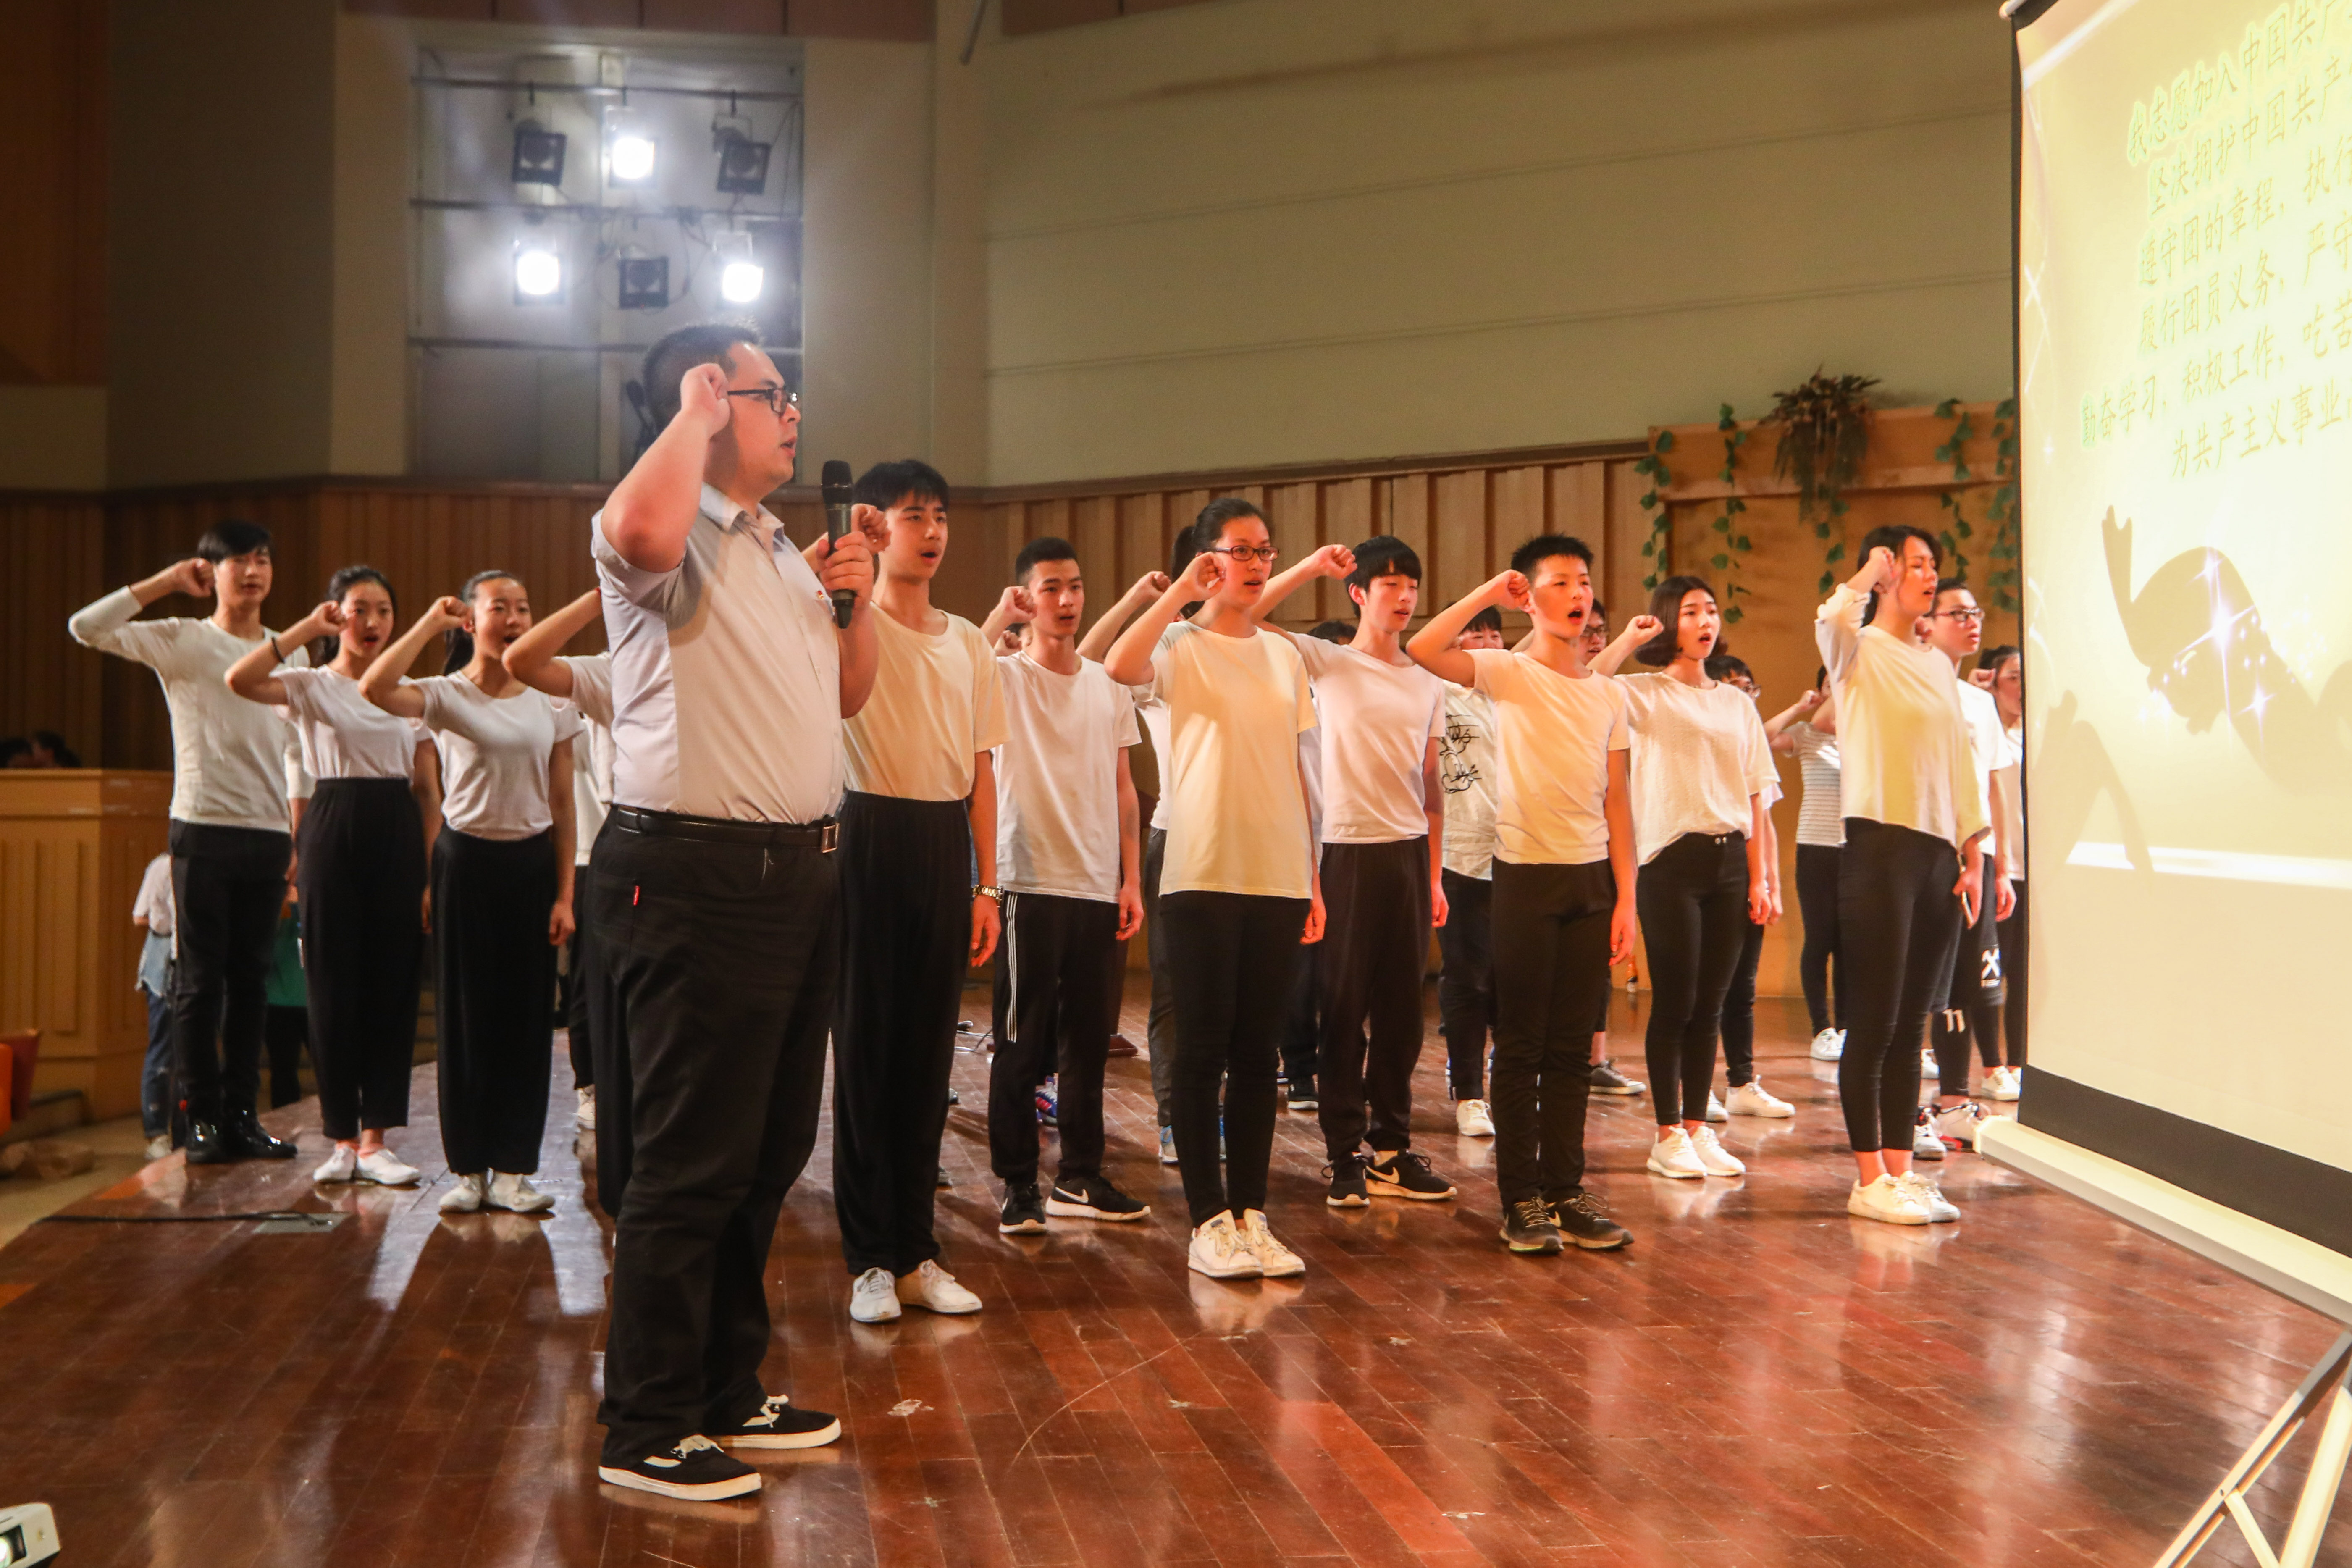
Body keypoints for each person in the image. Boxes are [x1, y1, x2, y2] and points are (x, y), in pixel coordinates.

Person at [583, 325, 865, 1502]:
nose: (792, 413)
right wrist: (695, 416)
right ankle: (647, 1421)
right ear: (706, 398)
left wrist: (856, 605)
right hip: (695, 874)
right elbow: (635, 530)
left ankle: (722, 1386)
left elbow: (847, 696)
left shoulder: (782, 547)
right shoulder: (668, 528)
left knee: (766, 1150)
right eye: (770, 394)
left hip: (797, 875)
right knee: (688, 1159)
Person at [1105, 498, 1321, 1281]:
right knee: (1201, 1051)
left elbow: (1297, 769)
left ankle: (1252, 1214)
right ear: (1208, 558)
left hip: (1277, 872)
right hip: (1199, 868)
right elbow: (1117, 667)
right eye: (1240, 550)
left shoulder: (1284, 654)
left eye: (1265, 549)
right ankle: (1207, 1221)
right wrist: (1179, 593)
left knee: (1258, 1053)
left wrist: (1312, 875)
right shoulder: (1177, 643)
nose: (1257, 563)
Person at [1407, 536, 1635, 1257]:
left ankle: (1566, 1190)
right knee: (1522, 1045)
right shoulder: (1508, 671)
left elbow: (1619, 803)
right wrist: (1488, 592)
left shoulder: (1609, 692)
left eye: (1583, 582)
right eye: (1560, 582)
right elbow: (1423, 647)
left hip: (1591, 880)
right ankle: (1522, 1200)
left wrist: (1628, 899)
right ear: (1531, 598)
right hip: (1524, 876)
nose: (1578, 595)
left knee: (1572, 1049)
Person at [69, 521, 308, 1165]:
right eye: (238, 560)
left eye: (263, 559)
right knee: (200, 983)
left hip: (269, 833)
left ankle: (242, 1116)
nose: (253, 571)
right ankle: (200, 1119)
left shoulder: (289, 653)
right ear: (211, 570)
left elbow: (298, 754)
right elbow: (85, 628)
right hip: (203, 824)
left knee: (252, 984)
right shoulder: (184, 638)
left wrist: (297, 836)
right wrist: (167, 582)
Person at [834, 458, 1005, 1326]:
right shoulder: (844, 621)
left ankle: (916, 1251)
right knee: (866, 1053)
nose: (932, 531)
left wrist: (988, 885)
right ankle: (869, 1258)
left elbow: (982, 771)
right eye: (913, 515)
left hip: (944, 843)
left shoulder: (969, 640)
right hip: (863, 832)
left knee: (927, 1058)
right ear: (875, 524)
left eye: (940, 515)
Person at [360, 572, 579, 1218]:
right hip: (464, 863)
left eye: (523, 607)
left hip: (531, 865)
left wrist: (565, 894)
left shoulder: (551, 697)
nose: (514, 618)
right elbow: (374, 688)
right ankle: (468, 1169)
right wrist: (428, 623)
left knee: (525, 1019)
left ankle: (513, 1169)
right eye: (499, 607)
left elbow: (564, 801)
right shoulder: (446, 695)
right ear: (471, 621)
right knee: (465, 1018)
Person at [1253, 537, 1454, 1206]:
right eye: (1389, 584)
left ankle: (1391, 1147)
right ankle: (1344, 1153)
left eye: (1411, 585)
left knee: (1403, 1013)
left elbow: (1431, 786)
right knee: (1342, 1007)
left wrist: (1433, 876)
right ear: (1359, 594)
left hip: (1408, 853)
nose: (1404, 597)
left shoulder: (1427, 678)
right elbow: (1248, 613)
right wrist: (1311, 567)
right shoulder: (1328, 661)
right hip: (1342, 850)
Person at [227, 566, 438, 1188]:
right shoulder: (311, 684)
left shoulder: (410, 692)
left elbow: (428, 791)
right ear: (336, 614)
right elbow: (240, 679)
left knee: (392, 983)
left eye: (383, 610)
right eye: (358, 609)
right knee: (329, 983)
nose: (372, 622)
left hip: (397, 825)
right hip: (331, 820)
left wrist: (431, 875)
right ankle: (342, 1135)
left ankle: (376, 1139)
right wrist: (303, 630)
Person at [975, 536, 1150, 1235]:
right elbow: (957, 666)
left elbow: (1125, 788)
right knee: (1021, 1044)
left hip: (1096, 886)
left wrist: (1131, 879)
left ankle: (1080, 1173)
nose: (1068, 600)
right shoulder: (1004, 676)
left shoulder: (1108, 685)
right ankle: (1019, 1182)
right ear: (1028, 597)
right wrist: (1000, 614)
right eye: (1051, 588)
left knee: (1088, 1043)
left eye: (1074, 586)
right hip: (1027, 879)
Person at [1816, 527, 1989, 1226]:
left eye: (1933, 565)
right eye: (1916, 564)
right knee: (1876, 1020)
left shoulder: (1938, 664)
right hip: (1879, 844)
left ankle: (1901, 1171)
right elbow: (1831, 617)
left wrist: (1973, 852)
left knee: (1912, 1023)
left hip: (1937, 852)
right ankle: (1868, 1179)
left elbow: (1958, 762)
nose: (1929, 575)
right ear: (1887, 571)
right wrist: (1867, 573)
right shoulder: (1857, 649)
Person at [1589, 578, 1773, 1181]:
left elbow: (1756, 797)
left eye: (1711, 611)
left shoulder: (1737, 704)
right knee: (1676, 1001)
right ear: (1669, 622)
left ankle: (1697, 1128)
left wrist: (1760, 878)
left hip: (1729, 860)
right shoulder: (1642, 692)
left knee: (1711, 1005)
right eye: (1691, 611)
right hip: (1668, 862)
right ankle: (1667, 1133)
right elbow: (1586, 682)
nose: (1706, 621)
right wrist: (1627, 638)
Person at [1080, 549, 1198, 1167]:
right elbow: (1094, 661)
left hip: (1247, 844)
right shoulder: (1166, 650)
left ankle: (1214, 1115)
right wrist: (1142, 600)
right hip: (1176, 839)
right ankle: (1175, 1120)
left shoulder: (1258, 647)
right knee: (1174, 992)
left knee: (1229, 1000)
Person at [501, 589, 618, 1144]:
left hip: (641, 848)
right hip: (592, 851)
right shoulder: (593, 677)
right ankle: (590, 1085)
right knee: (588, 978)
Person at [1918, 582, 2020, 1153]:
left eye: (1974, 612)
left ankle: (1954, 1102)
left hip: (1977, 858)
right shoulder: (1910, 687)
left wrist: (2001, 866)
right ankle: (1908, 1112)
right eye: (1957, 613)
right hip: (1928, 852)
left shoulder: (1978, 702)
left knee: (1969, 984)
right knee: (1926, 985)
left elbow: (1994, 788)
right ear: (1927, 622)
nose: (1971, 621)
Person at [1701, 653, 1793, 1122]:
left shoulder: (1753, 743)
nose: (1746, 697)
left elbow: (1766, 821)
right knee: (1703, 988)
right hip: (1706, 868)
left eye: (1749, 687)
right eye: (1735, 687)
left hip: (1747, 871)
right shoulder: (1703, 743)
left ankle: (1741, 1082)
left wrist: (1771, 884)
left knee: (1743, 986)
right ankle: (1697, 1087)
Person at [1435, 607, 1506, 1137]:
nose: (1486, 643)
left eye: (1494, 634)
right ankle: (1468, 1093)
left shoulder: (1515, 694)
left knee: (1512, 981)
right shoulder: (1435, 693)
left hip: (1518, 853)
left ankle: (1508, 1083)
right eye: (1473, 635)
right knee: (1467, 978)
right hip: (1457, 856)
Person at [1766, 669, 1846, 1061]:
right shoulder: (1807, 733)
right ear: (1821, 690)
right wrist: (1800, 707)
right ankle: (1822, 1029)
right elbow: (1762, 739)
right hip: (1816, 847)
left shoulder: (1865, 734)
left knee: (1851, 945)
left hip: (1858, 849)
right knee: (1820, 940)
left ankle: (1848, 1028)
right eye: (1832, 684)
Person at [1975, 643, 2027, 1100]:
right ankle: (1991, 1065)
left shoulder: (2037, 735)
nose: (2023, 686)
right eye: (2013, 676)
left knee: (2024, 976)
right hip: (1994, 864)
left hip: (2035, 870)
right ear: (1992, 682)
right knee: (1989, 972)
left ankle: (2018, 1063)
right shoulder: (1983, 728)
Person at [132, 851, 177, 1161]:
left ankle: (189, 1129)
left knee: (191, 1052)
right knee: (162, 1049)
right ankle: (157, 1133)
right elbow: (140, 916)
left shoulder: (208, 863)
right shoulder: (162, 867)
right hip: (164, 959)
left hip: (195, 957)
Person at [262, 898, 310, 1108]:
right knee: (284, 1074)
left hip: (311, 1001)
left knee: (333, 1068)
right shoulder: (273, 906)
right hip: (278, 1002)